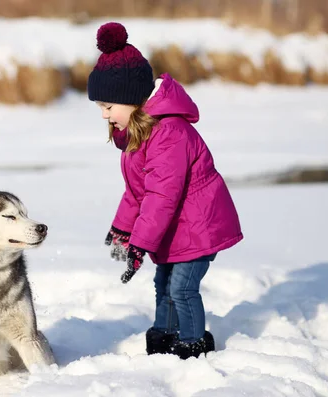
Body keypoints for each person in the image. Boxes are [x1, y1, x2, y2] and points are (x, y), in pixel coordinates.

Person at [87, 22, 243, 360]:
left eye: (108, 106)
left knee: (182, 288)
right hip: (176, 227)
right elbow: (138, 193)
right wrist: (122, 228)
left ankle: (192, 343)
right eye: (100, 106)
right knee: (164, 285)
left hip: (198, 226)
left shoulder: (169, 133)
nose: (104, 114)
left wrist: (140, 243)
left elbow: (162, 197)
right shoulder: (139, 135)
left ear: (131, 99)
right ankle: (164, 334)